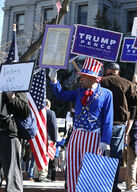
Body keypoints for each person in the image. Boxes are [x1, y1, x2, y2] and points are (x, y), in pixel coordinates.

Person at [48, 57, 113, 192]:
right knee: (72, 169)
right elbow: (62, 95)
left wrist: (105, 140)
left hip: (94, 136)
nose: (80, 79)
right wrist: (54, 81)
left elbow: (108, 119)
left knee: (92, 172)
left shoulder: (106, 94)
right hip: (76, 135)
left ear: (91, 78)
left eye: (83, 77)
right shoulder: (79, 92)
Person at [101, 62, 137, 192]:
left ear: (107, 71)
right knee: (115, 156)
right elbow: (135, 101)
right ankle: (112, 186)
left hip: (100, 124)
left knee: (99, 154)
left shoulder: (100, 82)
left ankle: (99, 183)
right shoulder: (125, 83)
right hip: (118, 124)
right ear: (118, 72)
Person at [0, 91, 31, 192]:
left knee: (12, 179)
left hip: (8, 135)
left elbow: (25, 111)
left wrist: (12, 98)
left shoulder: (15, 83)